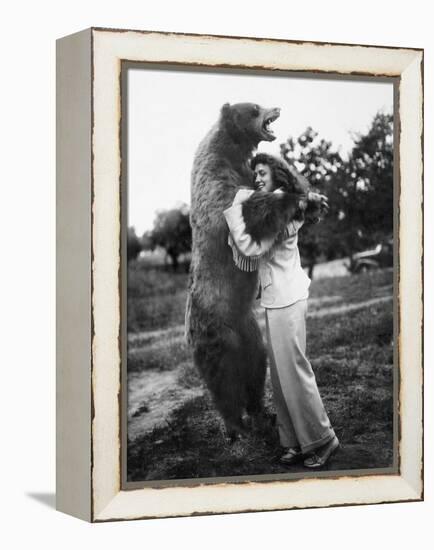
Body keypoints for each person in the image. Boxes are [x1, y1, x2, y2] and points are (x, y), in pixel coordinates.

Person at [223, 153, 339, 468]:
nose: (257, 178)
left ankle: (323, 439)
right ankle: (295, 441)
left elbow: (251, 248)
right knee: (281, 377)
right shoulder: (277, 204)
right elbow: (255, 205)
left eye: (262, 172)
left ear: (277, 175)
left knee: (295, 372)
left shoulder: (282, 208)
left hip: (288, 297)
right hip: (277, 298)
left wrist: (233, 212)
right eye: (255, 174)